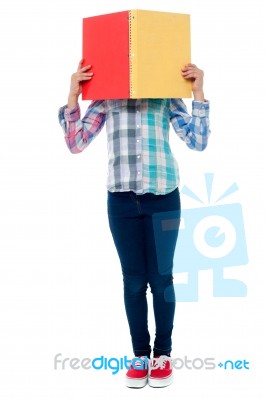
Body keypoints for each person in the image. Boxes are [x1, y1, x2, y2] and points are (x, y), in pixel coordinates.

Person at [58, 60, 210, 388]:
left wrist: (198, 91)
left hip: (164, 199)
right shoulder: (107, 98)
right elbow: (76, 143)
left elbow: (198, 141)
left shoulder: (166, 97)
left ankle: (163, 354)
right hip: (122, 201)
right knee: (132, 281)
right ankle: (140, 354)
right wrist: (73, 94)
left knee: (161, 279)